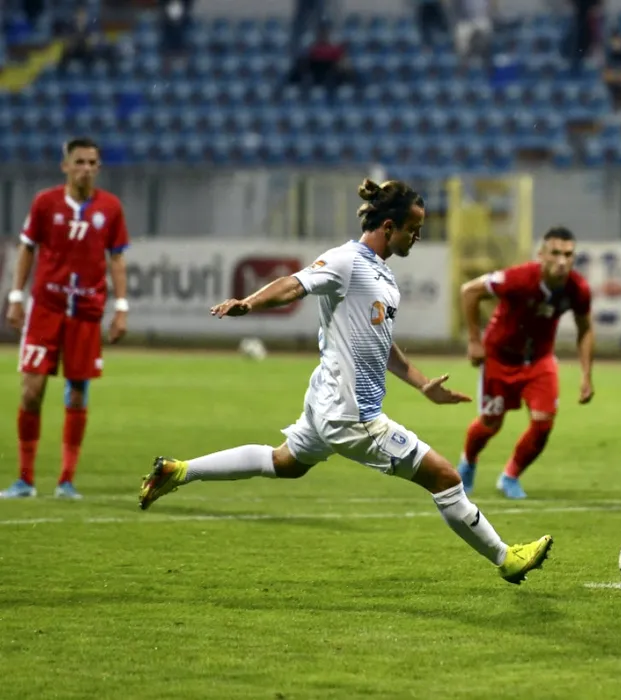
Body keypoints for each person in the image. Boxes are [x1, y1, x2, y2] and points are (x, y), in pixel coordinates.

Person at [138, 179, 553, 585]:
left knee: (284, 463)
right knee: (445, 477)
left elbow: (381, 344)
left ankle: (181, 471)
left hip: (326, 401)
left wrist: (422, 384)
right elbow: (294, 284)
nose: (417, 237)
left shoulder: (383, 277)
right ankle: (506, 558)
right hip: (352, 415)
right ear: (388, 227)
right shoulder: (347, 261)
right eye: (413, 229)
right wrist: (249, 302)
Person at [2, 137, 130, 500]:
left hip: (86, 312)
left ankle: (66, 481)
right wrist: (15, 297)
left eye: (92, 163)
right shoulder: (45, 202)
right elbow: (27, 248)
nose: (86, 169)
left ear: (98, 168)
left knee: (76, 394)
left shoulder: (110, 207)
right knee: (31, 391)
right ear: (65, 166)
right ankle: (25, 480)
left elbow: (116, 258)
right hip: (46, 308)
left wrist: (122, 307)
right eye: (80, 162)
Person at [456, 227, 595, 500]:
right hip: (500, 357)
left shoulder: (577, 289)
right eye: (555, 253)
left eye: (568, 254)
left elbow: (586, 329)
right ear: (541, 254)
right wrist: (474, 340)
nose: (562, 261)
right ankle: (468, 462)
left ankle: (510, 477)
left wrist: (586, 375)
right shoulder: (518, 278)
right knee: (490, 423)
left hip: (540, 360)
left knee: (543, 424)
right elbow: (469, 291)